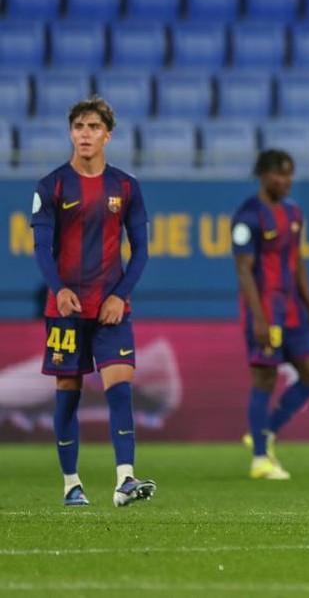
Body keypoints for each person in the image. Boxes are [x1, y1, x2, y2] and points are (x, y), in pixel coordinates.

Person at [30, 96, 156, 507]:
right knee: (68, 391)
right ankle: (71, 483)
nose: (86, 134)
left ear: (108, 135)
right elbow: (42, 248)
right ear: (71, 132)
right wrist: (59, 289)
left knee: (120, 387)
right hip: (65, 310)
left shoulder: (125, 187)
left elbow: (140, 252)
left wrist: (120, 295)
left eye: (94, 128)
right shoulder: (52, 186)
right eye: (79, 127)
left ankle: (125, 480)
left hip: (110, 309)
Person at [232, 149, 309, 480]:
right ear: (264, 175)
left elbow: (297, 262)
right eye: (280, 175)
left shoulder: (294, 213)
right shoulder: (248, 217)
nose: (286, 181)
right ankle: (260, 459)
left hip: (294, 309)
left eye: (290, 174)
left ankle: (265, 431)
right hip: (266, 308)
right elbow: (244, 269)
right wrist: (257, 317)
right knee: (265, 378)